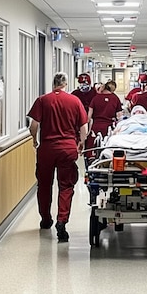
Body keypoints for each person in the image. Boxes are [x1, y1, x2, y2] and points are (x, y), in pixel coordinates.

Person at [27, 72, 88, 242]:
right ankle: (62, 220)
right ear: (65, 84)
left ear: (53, 84)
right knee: (66, 186)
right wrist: (81, 143)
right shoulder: (74, 101)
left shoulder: (43, 100)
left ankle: (46, 219)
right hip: (67, 148)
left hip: (46, 149)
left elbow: (34, 125)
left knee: (44, 185)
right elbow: (84, 127)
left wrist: (34, 140)